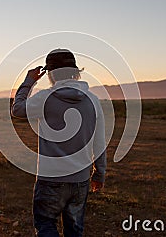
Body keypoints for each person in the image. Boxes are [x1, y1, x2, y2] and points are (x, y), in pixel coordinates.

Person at [11, 48, 106, 237]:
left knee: (46, 225)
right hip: (80, 179)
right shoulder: (93, 101)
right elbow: (99, 142)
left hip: (50, 179)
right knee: (75, 230)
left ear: (51, 74)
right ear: (76, 72)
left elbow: (17, 109)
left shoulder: (45, 97)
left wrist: (29, 81)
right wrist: (99, 174)